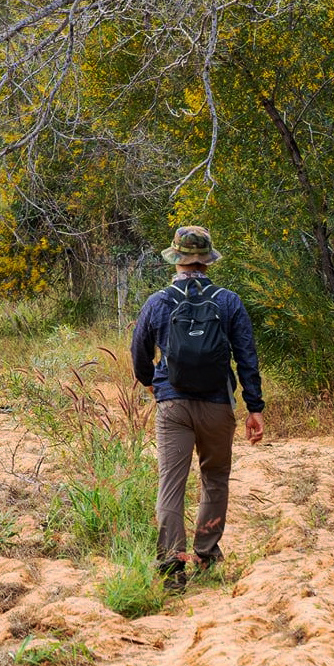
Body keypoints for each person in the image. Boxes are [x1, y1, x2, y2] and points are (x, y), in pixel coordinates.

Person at [130, 225, 264, 589]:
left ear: (175, 259)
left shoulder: (158, 302)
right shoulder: (228, 302)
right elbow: (246, 357)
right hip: (218, 404)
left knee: (171, 484)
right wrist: (255, 407)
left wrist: (152, 383)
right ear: (208, 261)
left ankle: (172, 568)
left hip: (173, 404)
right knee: (215, 478)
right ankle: (206, 555)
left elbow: (139, 353)